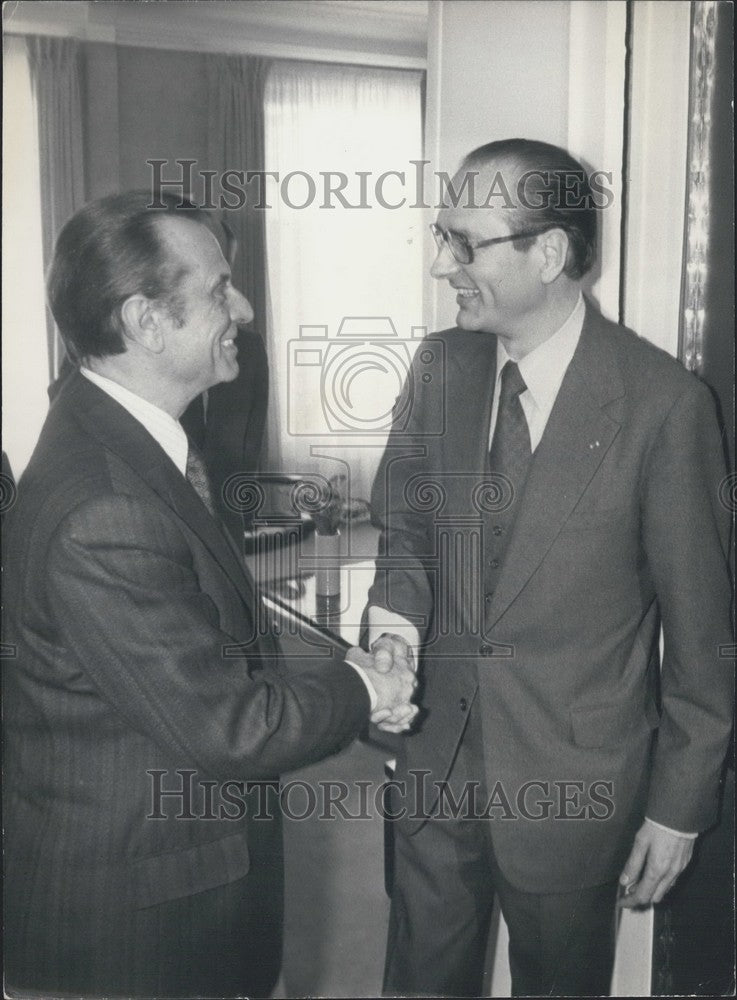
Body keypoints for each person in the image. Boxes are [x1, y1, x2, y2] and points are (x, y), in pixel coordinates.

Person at [2, 191, 417, 998]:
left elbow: (205, 633)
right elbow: (229, 728)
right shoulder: (105, 507)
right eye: (220, 289)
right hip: (134, 931)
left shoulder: (123, 442)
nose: (245, 308)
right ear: (146, 323)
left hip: (167, 887)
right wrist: (365, 688)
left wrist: (349, 679)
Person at [365, 138, 733, 996]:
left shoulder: (664, 407)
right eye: (439, 235)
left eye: (463, 242)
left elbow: (702, 638)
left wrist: (677, 807)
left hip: (574, 791)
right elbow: (406, 535)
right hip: (434, 765)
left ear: (550, 252)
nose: (439, 264)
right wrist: (392, 630)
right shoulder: (438, 369)